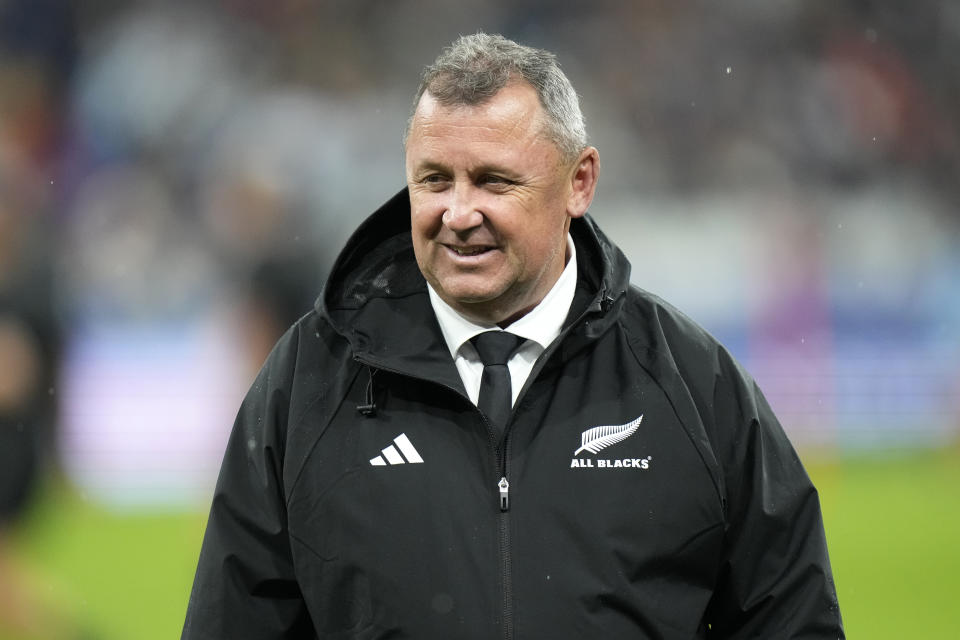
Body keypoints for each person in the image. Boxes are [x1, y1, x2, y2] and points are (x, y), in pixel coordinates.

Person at [182, 33, 844, 639]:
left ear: (578, 182)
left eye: (494, 181)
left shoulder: (693, 383)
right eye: (434, 180)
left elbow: (789, 621)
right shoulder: (309, 382)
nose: (459, 213)